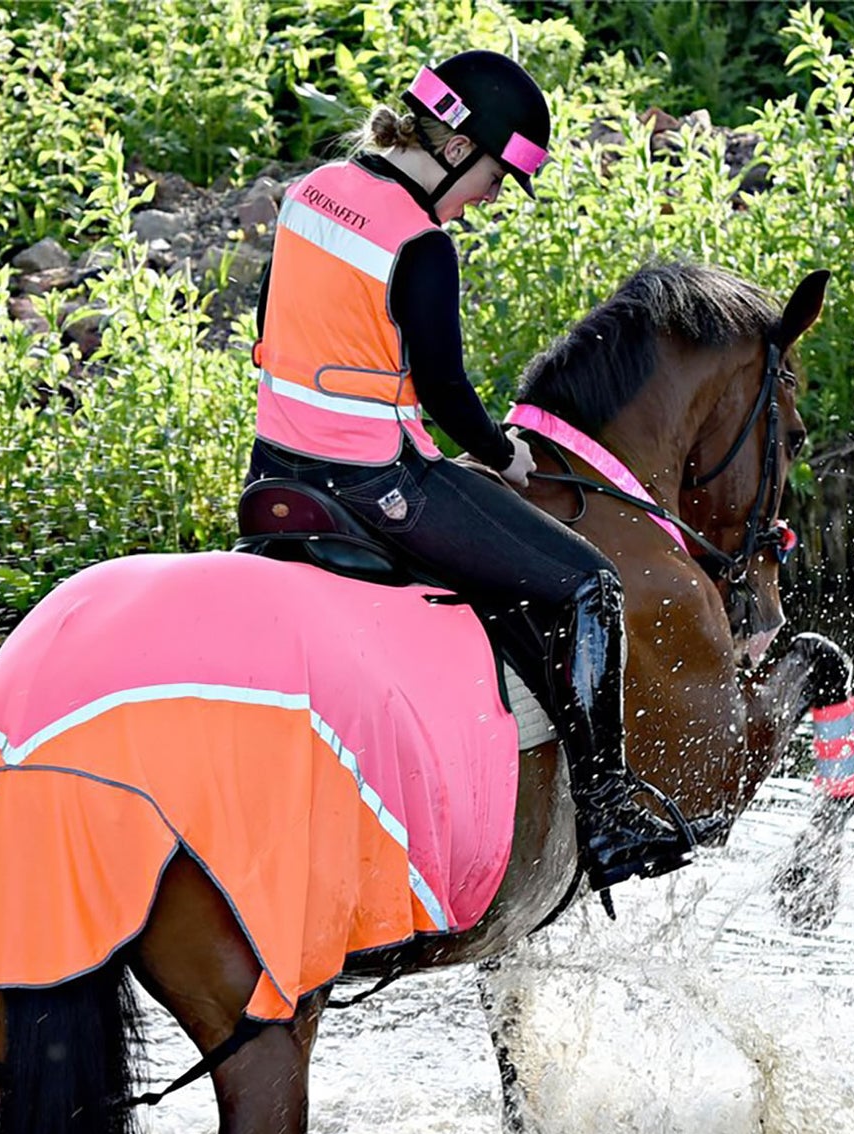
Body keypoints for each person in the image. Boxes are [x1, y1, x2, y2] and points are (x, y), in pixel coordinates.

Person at [246, 50, 692, 893]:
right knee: (588, 586)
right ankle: (607, 818)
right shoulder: (420, 244)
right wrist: (500, 452)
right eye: (491, 177)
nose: (487, 198)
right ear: (454, 147)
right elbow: (448, 392)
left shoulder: (309, 193)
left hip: (276, 473)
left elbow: (276, 326)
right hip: (377, 488)